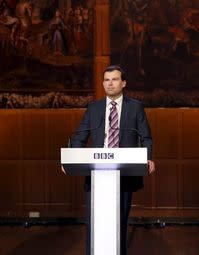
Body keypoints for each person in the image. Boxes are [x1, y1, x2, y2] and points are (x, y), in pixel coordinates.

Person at [62, 65, 155, 255]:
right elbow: (80, 137)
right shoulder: (93, 108)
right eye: (106, 80)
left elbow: (146, 137)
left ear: (123, 83)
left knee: (119, 222)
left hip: (125, 175)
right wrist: (72, 159)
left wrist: (148, 158)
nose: (110, 83)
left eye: (114, 79)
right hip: (96, 174)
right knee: (94, 222)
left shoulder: (135, 107)